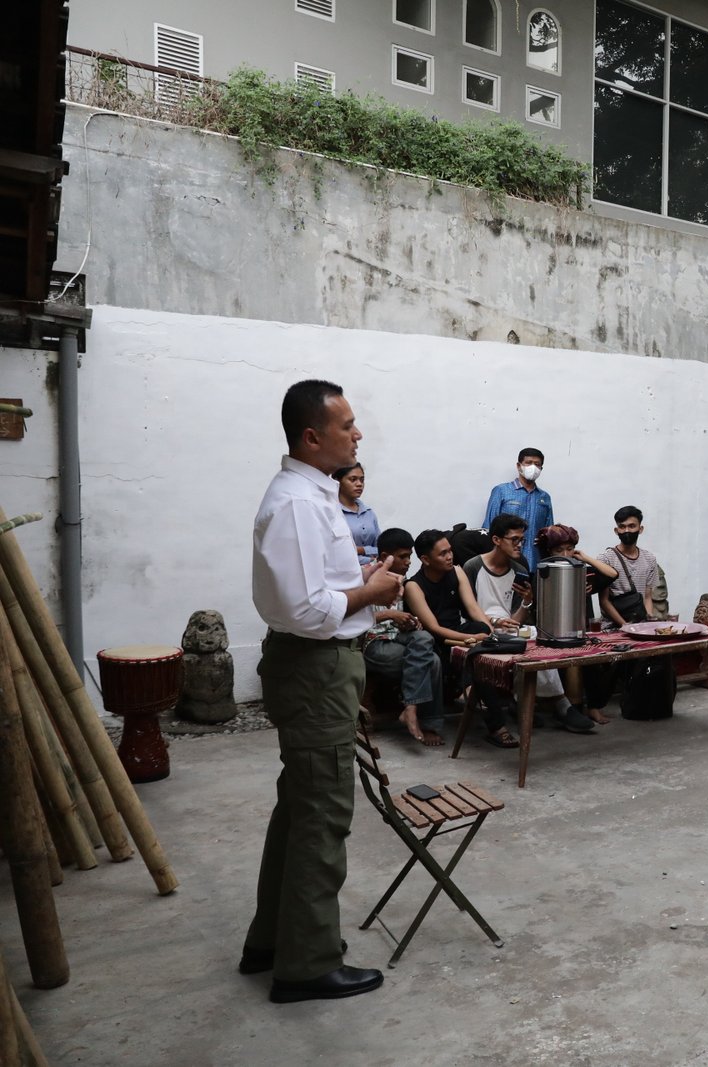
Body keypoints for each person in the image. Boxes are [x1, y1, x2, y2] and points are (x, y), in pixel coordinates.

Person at [241, 378, 398, 1003]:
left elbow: (315, 586)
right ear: (313, 436)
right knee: (321, 817)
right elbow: (309, 610)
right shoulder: (300, 503)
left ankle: (272, 941)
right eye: (347, 425)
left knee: (298, 809)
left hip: (316, 664)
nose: (357, 434)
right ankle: (306, 964)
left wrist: (357, 580)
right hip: (314, 667)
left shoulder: (310, 494)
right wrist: (373, 593)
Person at [463, 515, 594, 734]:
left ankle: (549, 701)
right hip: (481, 628)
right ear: (496, 539)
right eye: (514, 539)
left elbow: (517, 618)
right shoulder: (473, 566)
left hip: (511, 628)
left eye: (522, 539)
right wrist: (493, 622)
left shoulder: (519, 566)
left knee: (541, 635)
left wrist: (526, 601)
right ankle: (554, 704)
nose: (519, 544)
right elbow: (467, 609)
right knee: (517, 639)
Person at [403, 530, 511, 747]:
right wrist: (469, 639)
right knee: (476, 659)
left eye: (450, 551)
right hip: (435, 641)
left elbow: (473, 608)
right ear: (425, 559)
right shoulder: (414, 586)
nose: (450, 556)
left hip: (461, 634)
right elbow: (433, 628)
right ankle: (497, 726)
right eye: (443, 554)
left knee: (482, 635)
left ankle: (498, 711)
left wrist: (489, 632)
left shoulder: (457, 572)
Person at [360, 527, 445, 747]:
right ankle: (422, 717)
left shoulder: (402, 582)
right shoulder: (366, 578)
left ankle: (412, 710)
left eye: (409, 556)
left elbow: (400, 623)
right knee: (432, 662)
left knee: (425, 638)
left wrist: (408, 622)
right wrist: (390, 614)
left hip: (397, 640)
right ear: (383, 557)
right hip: (374, 644)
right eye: (402, 557)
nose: (408, 562)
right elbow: (354, 618)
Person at [536, 524, 620, 723]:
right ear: (548, 552)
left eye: (569, 549)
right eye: (559, 551)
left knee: (599, 659)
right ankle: (572, 710)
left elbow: (612, 574)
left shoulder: (583, 572)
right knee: (573, 662)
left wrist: (584, 558)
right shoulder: (544, 574)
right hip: (554, 634)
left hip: (583, 631)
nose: (565, 554)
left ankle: (593, 707)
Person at [482, 447, 553, 574]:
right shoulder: (502, 491)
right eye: (529, 463)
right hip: (506, 564)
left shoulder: (544, 498)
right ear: (519, 466)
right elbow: (489, 527)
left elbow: (549, 532)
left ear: (541, 469)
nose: (533, 467)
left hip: (535, 564)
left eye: (537, 464)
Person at [599, 506, 661, 625]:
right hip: (612, 628)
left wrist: (648, 621)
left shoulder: (649, 559)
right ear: (616, 531)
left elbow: (647, 596)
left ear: (640, 529)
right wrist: (625, 626)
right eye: (622, 526)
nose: (627, 530)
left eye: (632, 526)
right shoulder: (606, 559)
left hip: (640, 626)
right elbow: (604, 601)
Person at [334, 463, 379, 563]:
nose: (359, 484)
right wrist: (371, 560)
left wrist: (362, 550)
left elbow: (381, 548)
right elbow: (337, 553)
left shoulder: (369, 513)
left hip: (373, 572)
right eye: (353, 479)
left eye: (362, 480)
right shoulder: (333, 512)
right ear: (338, 481)